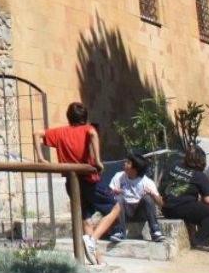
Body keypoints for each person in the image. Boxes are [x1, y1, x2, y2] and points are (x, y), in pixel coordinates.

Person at [36, 102, 109, 262]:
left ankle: (98, 260)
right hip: (89, 179)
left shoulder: (60, 132)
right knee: (117, 207)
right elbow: (93, 134)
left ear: (69, 117)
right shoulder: (87, 129)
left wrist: (41, 158)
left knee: (85, 220)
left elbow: (37, 134)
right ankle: (93, 239)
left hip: (71, 181)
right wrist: (98, 160)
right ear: (85, 116)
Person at [88, 153, 164, 246]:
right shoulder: (119, 176)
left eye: (128, 163)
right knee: (119, 198)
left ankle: (155, 230)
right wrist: (114, 192)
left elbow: (160, 203)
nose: (124, 164)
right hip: (123, 211)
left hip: (139, 212)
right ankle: (119, 231)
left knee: (147, 198)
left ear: (135, 168)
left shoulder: (147, 182)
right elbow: (108, 196)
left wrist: (152, 194)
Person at [161, 145, 209, 251]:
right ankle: (200, 241)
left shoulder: (174, 165)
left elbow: (162, 185)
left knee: (198, 210)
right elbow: (208, 201)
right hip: (182, 207)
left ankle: (203, 235)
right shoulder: (199, 176)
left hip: (166, 207)